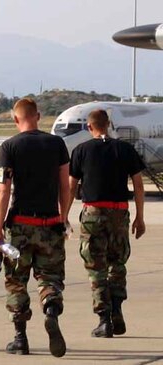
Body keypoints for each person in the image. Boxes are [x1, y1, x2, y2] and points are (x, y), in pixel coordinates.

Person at [0, 98, 70, 358]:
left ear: (16, 119)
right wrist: (64, 217)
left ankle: (20, 338)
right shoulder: (56, 144)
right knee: (50, 278)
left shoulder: (10, 146)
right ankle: (50, 309)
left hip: (20, 226)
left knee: (16, 281)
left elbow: (3, 190)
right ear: (38, 115)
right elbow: (65, 185)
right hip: (50, 223)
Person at [67, 109, 146, 338]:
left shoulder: (81, 150)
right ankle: (118, 312)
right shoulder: (124, 149)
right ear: (108, 125)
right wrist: (140, 217)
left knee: (95, 266)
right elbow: (138, 185)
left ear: (89, 127)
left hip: (93, 213)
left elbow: (72, 186)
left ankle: (104, 319)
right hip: (120, 213)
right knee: (117, 264)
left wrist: (63, 216)